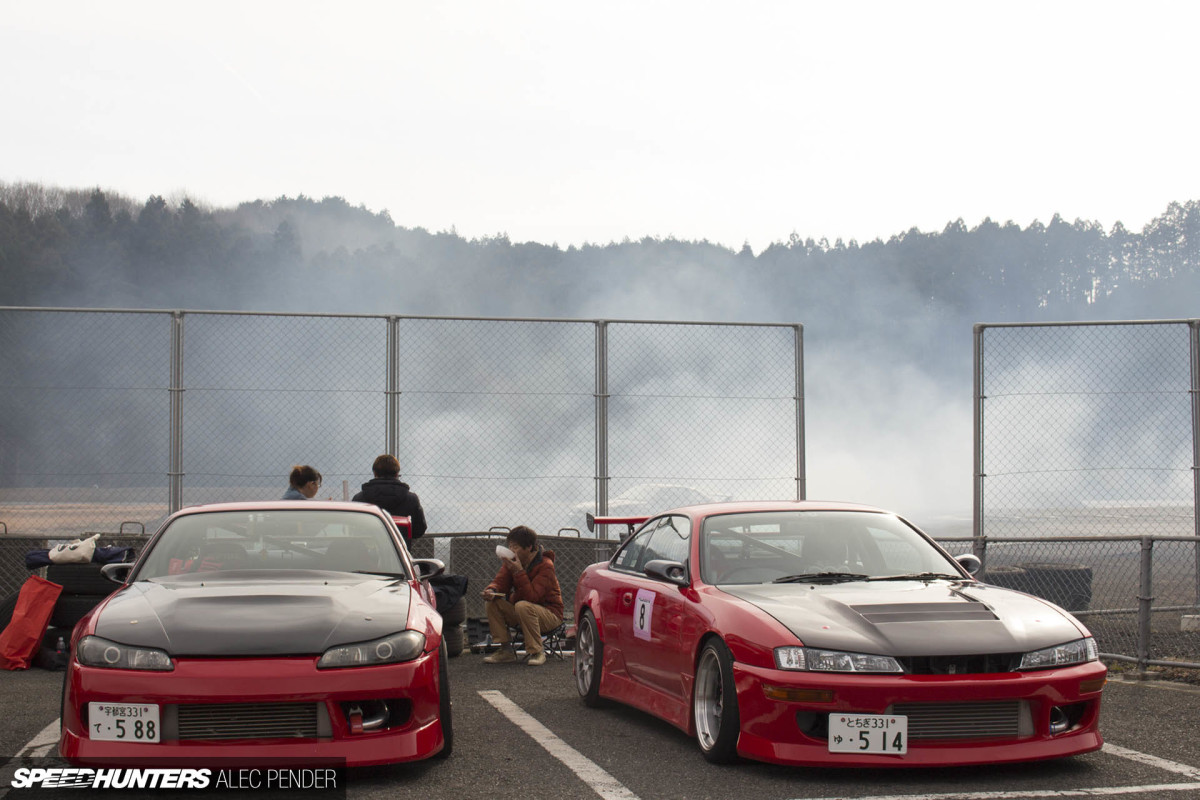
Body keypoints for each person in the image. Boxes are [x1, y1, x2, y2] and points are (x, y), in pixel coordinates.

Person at [481, 525, 563, 666]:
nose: (512, 550)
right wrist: (492, 591)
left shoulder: (545, 565)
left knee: (523, 605)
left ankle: (537, 652)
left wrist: (519, 572)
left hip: (550, 614)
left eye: (516, 547)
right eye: (510, 546)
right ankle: (505, 651)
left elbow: (533, 597)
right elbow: (500, 582)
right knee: (493, 603)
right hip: (523, 612)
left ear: (529, 547)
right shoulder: (512, 561)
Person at [351, 454, 427, 542]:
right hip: (398, 553)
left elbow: (354, 528)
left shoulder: (359, 499)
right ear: (397, 473)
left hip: (367, 552)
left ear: (375, 473)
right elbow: (419, 530)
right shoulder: (411, 499)